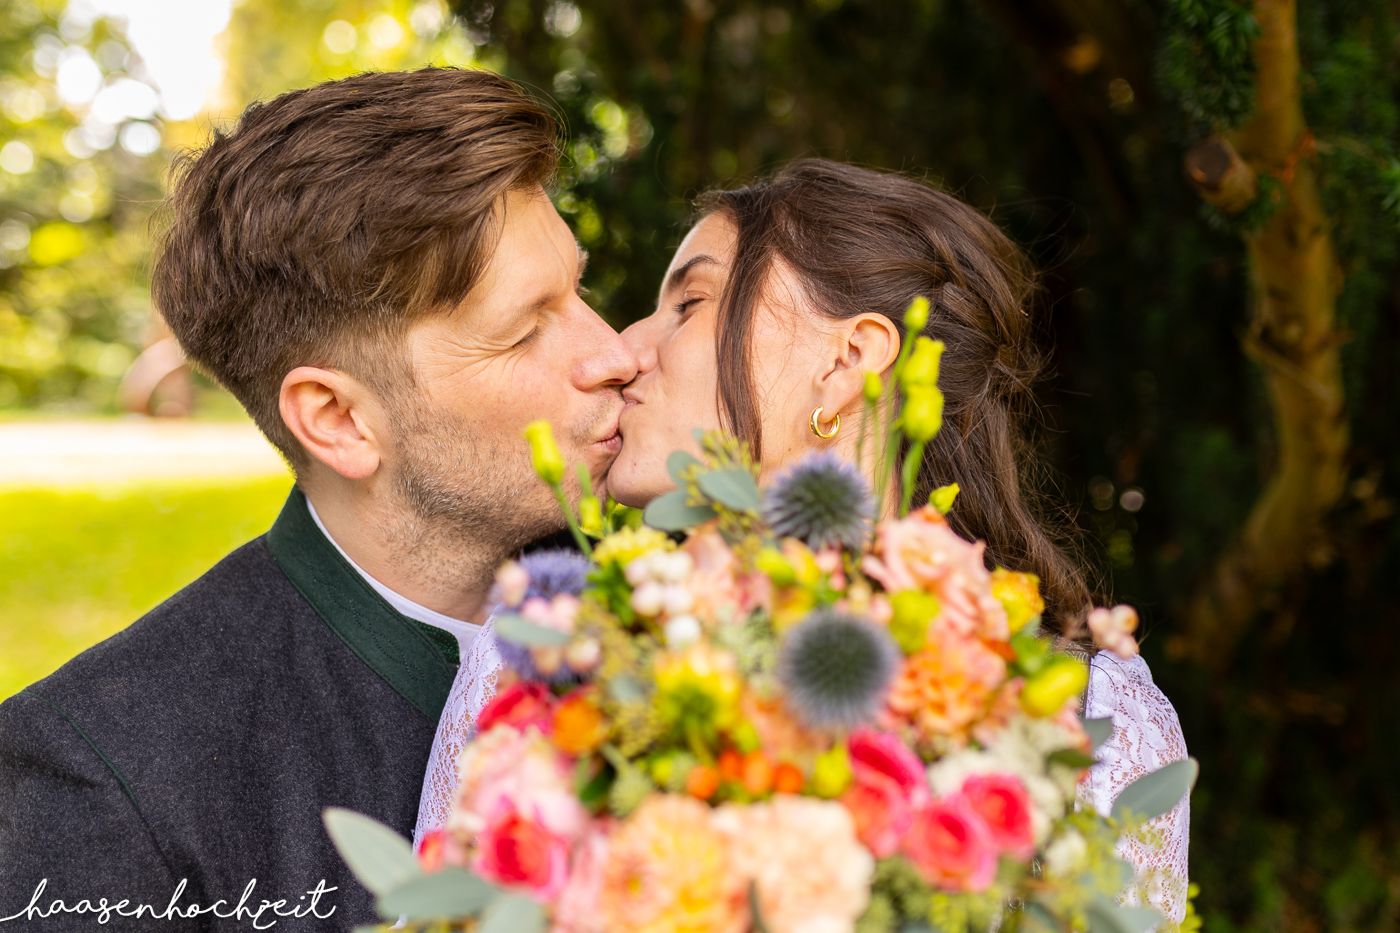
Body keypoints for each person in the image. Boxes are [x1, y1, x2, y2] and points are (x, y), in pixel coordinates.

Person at [421, 158, 1190, 923]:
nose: (626, 349)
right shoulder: (537, 660)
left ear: (849, 358)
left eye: (689, 302)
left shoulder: (1092, 719)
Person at [0, 68, 636, 931]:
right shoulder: (101, 783)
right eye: (526, 327)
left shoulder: (706, 601)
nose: (614, 354)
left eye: (580, 290)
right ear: (338, 420)